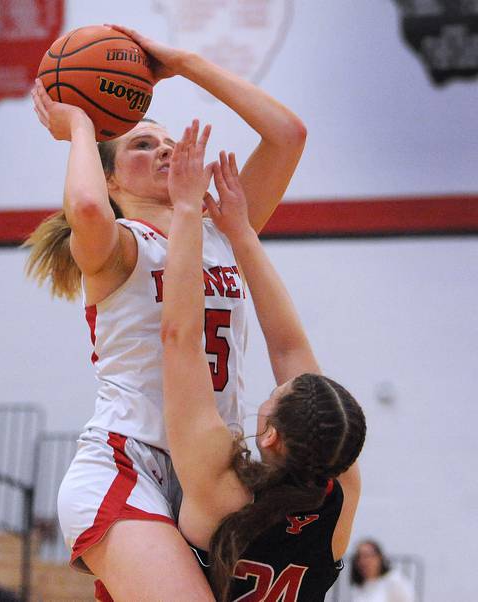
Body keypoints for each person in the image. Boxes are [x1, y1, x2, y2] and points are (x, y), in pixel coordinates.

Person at [25, 23, 306, 600]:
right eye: (141, 145)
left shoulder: (223, 231)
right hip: (127, 465)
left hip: (213, 473)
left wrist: (185, 62)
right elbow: (82, 203)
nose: (164, 149)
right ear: (108, 176)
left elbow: (288, 135)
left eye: (168, 140)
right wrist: (79, 124)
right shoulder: (118, 244)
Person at [159, 127, 366, 600]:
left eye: (275, 395)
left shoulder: (222, 488)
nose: (270, 391)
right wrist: (240, 232)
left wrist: (189, 211)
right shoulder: (338, 495)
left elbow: (179, 339)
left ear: (271, 434)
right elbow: (286, 350)